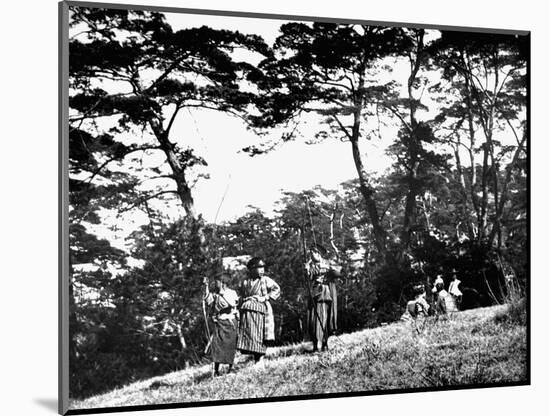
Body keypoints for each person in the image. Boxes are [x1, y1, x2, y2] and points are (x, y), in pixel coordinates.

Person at [237, 257, 280, 363]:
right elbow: (241, 295)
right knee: (250, 334)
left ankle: (260, 358)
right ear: (251, 269)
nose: (262, 270)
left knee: (260, 334)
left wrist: (265, 298)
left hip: (261, 310)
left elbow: (277, 289)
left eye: (262, 268)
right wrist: (244, 300)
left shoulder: (265, 280)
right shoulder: (245, 282)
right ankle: (255, 357)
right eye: (258, 268)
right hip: (248, 311)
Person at [202, 273, 239, 376]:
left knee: (230, 345)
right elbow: (208, 300)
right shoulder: (216, 294)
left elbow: (231, 304)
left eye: (218, 282)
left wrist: (222, 295)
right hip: (219, 323)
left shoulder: (231, 293)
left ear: (223, 283)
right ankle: (216, 370)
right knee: (217, 346)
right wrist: (206, 286)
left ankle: (231, 368)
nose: (216, 284)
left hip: (229, 322)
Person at [305, 244, 340, 352]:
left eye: (313, 253)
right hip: (314, 294)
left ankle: (324, 343)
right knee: (313, 321)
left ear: (319, 254)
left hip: (325, 293)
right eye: (310, 254)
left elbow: (337, 273)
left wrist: (329, 269)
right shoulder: (310, 266)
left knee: (325, 318)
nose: (312, 256)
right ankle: (315, 345)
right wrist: (306, 270)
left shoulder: (328, 263)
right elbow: (308, 277)